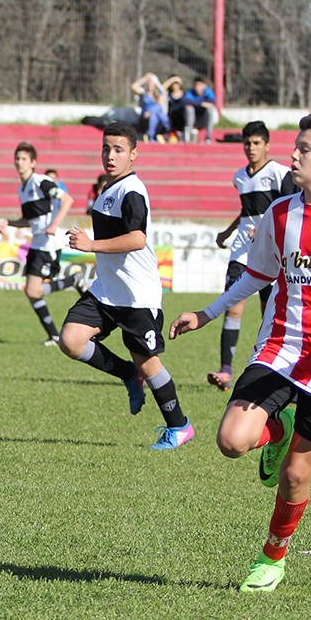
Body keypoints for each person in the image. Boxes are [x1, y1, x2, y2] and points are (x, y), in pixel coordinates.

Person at [168, 113, 311, 593]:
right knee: (232, 441)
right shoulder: (279, 214)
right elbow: (256, 275)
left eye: (305, 149)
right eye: (295, 147)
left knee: (294, 477)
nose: (293, 155)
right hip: (281, 347)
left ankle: (272, 559)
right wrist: (206, 313)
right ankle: (277, 427)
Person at [58, 121, 193, 450]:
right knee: (71, 340)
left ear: (133, 154)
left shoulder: (132, 190)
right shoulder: (109, 188)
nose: (110, 155)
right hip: (106, 291)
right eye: (106, 148)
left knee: (148, 362)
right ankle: (129, 374)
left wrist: (91, 245)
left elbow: (137, 239)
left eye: (118, 149)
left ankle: (179, 427)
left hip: (137, 296)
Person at [207, 121, 297, 391]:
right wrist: (227, 232)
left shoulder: (280, 173)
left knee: (269, 313)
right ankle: (225, 370)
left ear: (267, 145)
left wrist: (266, 227)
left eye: (257, 143)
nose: (251, 147)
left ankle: (272, 368)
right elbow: (246, 211)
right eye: (247, 143)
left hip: (271, 251)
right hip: (242, 250)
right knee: (233, 306)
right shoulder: (240, 177)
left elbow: (289, 207)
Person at [0, 143, 80, 346]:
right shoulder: (22, 189)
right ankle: (54, 336)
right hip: (37, 244)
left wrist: (54, 224)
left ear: (33, 163)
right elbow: (29, 220)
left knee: (35, 290)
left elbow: (67, 200)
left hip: (50, 244)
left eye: (24, 159)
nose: (19, 162)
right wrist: (9, 223)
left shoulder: (41, 182)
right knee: (31, 292)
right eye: (17, 158)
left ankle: (74, 281)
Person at [130, 72, 169, 143]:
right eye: (148, 82)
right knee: (157, 116)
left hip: (155, 115)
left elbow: (159, 105)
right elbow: (134, 86)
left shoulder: (159, 94)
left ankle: (151, 136)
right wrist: (145, 78)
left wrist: (150, 112)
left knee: (155, 115)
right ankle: (153, 136)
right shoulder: (143, 92)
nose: (149, 84)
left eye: (151, 82)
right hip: (145, 118)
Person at [183, 76, 219, 143]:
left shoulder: (208, 92)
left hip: (203, 118)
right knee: (189, 109)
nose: (198, 87)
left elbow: (212, 102)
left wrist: (196, 103)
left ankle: (208, 136)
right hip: (192, 118)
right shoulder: (190, 93)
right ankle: (188, 135)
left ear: (204, 85)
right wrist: (201, 103)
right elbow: (186, 101)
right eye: (197, 85)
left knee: (210, 110)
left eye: (200, 85)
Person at [163, 75, 189, 143]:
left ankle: (183, 134)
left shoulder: (185, 94)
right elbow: (162, 89)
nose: (175, 85)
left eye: (177, 83)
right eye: (173, 83)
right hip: (171, 117)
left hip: (181, 117)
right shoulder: (168, 94)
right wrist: (173, 79)